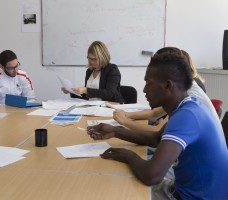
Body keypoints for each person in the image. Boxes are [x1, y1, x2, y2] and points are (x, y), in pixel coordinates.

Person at [87, 50, 228, 199]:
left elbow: (151, 175)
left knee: (115, 191)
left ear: (168, 86)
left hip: (192, 197)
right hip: (185, 190)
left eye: (149, 83)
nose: (144, 90)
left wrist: (128, 155)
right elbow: (156, 139)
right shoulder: (188, 106)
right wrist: (115, 131)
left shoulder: (187, 116)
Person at [113, 48, 217, 132]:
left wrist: (124, 122)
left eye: (149, 83)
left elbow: (156, 131)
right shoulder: (181, 89)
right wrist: (126, 115)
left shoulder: (187, 97)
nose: (144, 90)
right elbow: (154, 114)